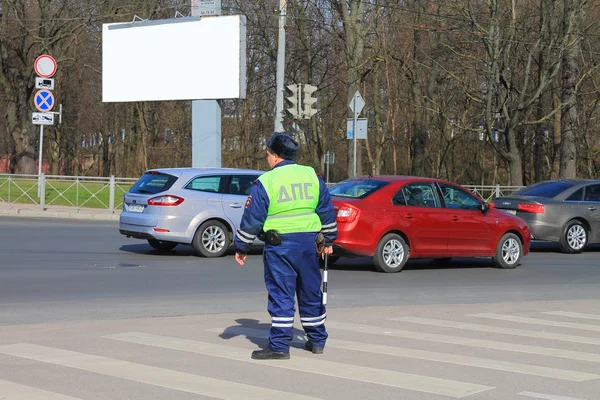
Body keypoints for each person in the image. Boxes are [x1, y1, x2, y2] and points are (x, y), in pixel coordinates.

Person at [234, 132, 338, 360]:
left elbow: (252, 218)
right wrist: (329, 240)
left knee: (282, 295)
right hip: (309, 245)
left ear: (275, 156)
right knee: (311, 291)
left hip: (280, 247)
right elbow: (326, 210)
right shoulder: (311, 176)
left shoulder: (267, 182)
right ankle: (317, 340)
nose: (267, 158)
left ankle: (279, 346)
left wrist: (241, 246)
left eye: (268, 154)